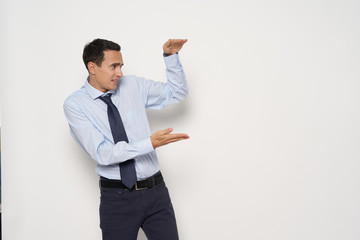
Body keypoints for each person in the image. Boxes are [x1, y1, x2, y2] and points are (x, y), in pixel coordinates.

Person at [63, 38, 189, 240]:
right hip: (118, 200)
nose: (120, 73)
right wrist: (149, 143)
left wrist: (171, 57)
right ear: (92, 67)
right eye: (113, 66)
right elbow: (103, 153)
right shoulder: (75, 105)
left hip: (157, 192)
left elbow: (176, 93)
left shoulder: (132, 85)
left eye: (121, 66)